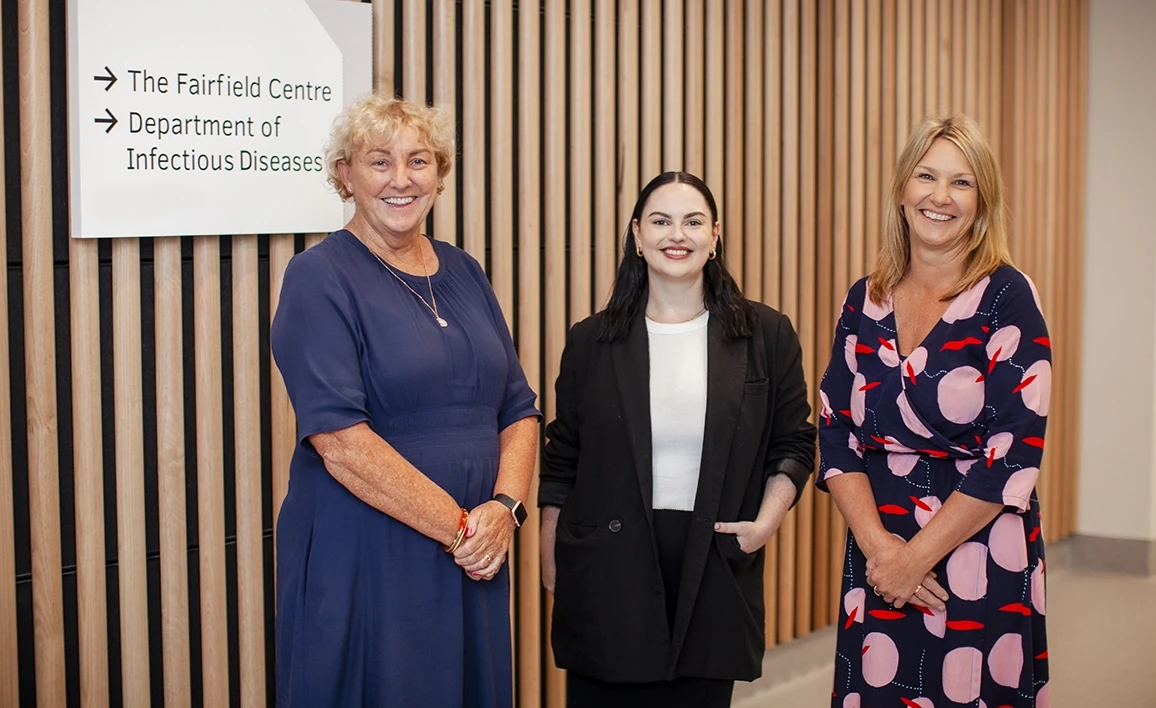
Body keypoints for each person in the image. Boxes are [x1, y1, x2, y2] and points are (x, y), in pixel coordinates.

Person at [270, 94, 540, 707]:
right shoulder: (319, 277)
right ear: (345, 174)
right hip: (368, 551)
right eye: (379, 161)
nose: (401, 179)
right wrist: (463, 529)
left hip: (473, 550)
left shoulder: (465, 271)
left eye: (418, 161)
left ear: (440, 176)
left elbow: (518, 408)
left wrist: (505, 510)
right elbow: (339, 442)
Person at [539, 171, 817, 707]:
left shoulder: (765, 334)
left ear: (716, 236)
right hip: (607, 566)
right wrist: (552, 553)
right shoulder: (591, 340)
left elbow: (795, 442)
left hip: (712, 558)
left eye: (693, 222)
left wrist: (767, 522)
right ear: (637, 235)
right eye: (661, 221)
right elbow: (563, 455)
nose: (677, 235)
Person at [817, 114, 1051, 707]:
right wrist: (881, 550)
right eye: (927, 176)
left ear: (983, 200)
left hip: (976, 548)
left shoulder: (1006, 295)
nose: (940, 197)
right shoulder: (864, 297)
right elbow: (835, 428)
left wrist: (914, 559)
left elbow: (1013, 454)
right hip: (880, 542)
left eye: (962, 182)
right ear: (902, 189)